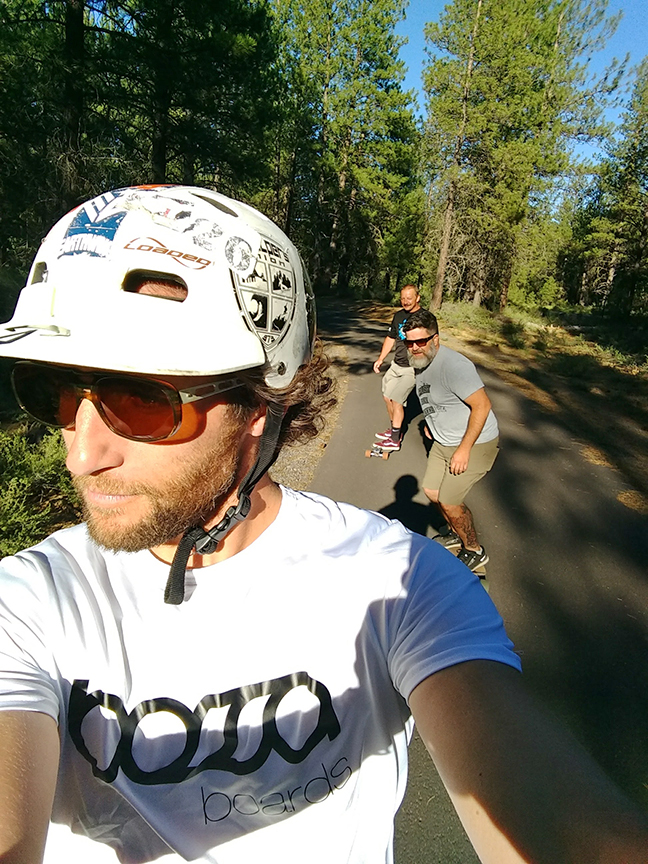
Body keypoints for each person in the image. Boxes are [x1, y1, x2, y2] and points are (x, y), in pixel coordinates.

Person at [0, 186, 647, 864]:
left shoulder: (399, 585)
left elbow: (557, 820)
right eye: (60, 396)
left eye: (143, 401)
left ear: (262, 403)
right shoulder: (29, 603)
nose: (82, 452)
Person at [403, 309, 499, 573]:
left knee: (449, 501)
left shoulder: (454, 366)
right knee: (432, 492)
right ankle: (456, 534)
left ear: (436, 339)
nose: (415, 348)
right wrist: (432, 426)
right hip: (443, 442)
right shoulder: (421, 363)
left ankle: (474, 550)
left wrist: (464, 449)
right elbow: (438, 399)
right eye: (409, 342)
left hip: (476, 443)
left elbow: (482, 405)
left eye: (421, 341)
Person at [372, 284, 421, 451]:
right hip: (396, 365)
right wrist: (381, 358)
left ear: (417, 298)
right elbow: (391, 338)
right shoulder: (398, 316)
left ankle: (394, 440)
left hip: (412, 368)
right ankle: (395, 430)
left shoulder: (425, 317)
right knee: (387, 397)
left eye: (409, 298)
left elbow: (433, 341)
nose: (405, 301)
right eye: (403, 298)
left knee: (397, 399)